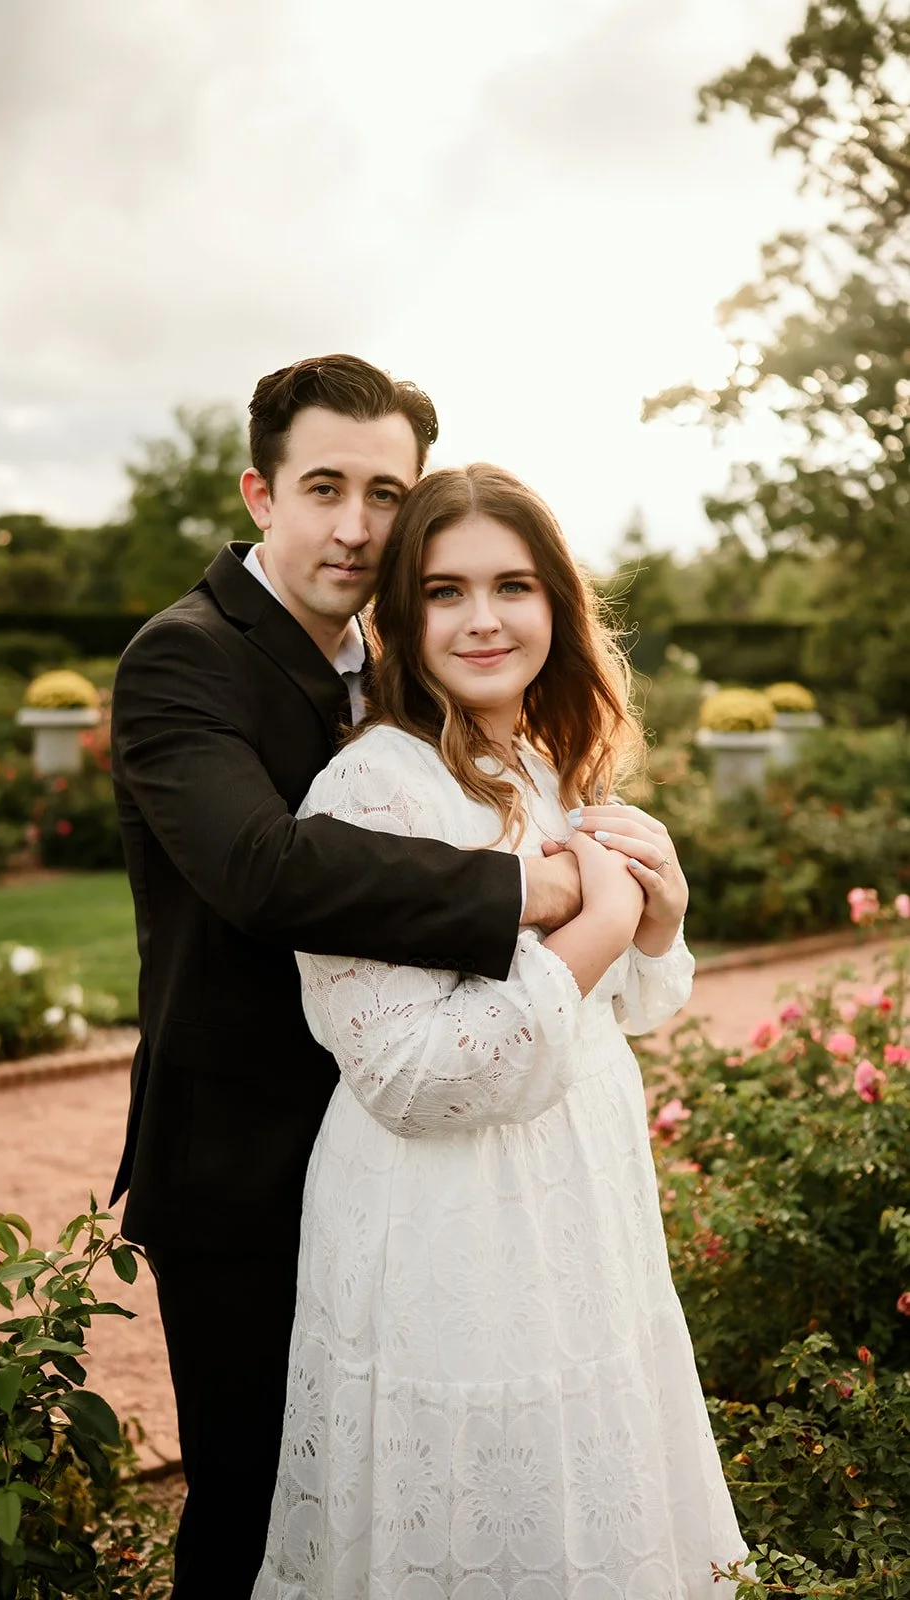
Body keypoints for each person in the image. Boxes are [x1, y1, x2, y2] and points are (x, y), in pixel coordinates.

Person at [109, 357, 581, 1596]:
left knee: (394, 1496)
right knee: (261, 1509)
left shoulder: (391, 665)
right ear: (261, 493)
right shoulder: (183, 659)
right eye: (326, 486)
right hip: (242, 1170)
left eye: (387, 490)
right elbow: (261, 871)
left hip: (399, 1158)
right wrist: (523, 892)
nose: (359, 524)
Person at [252, 464, 748, 1597]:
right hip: (444, 1225)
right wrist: (601, 921)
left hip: (576, 1203)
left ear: (554, 606)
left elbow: (624, 1008)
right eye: (444, 590)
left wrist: (656, 921)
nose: (482, 619)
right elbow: (411, 1075)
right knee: (473, 1502)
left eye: (512, 585)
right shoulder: (366, 793)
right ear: (400, 616)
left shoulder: (539, 763)